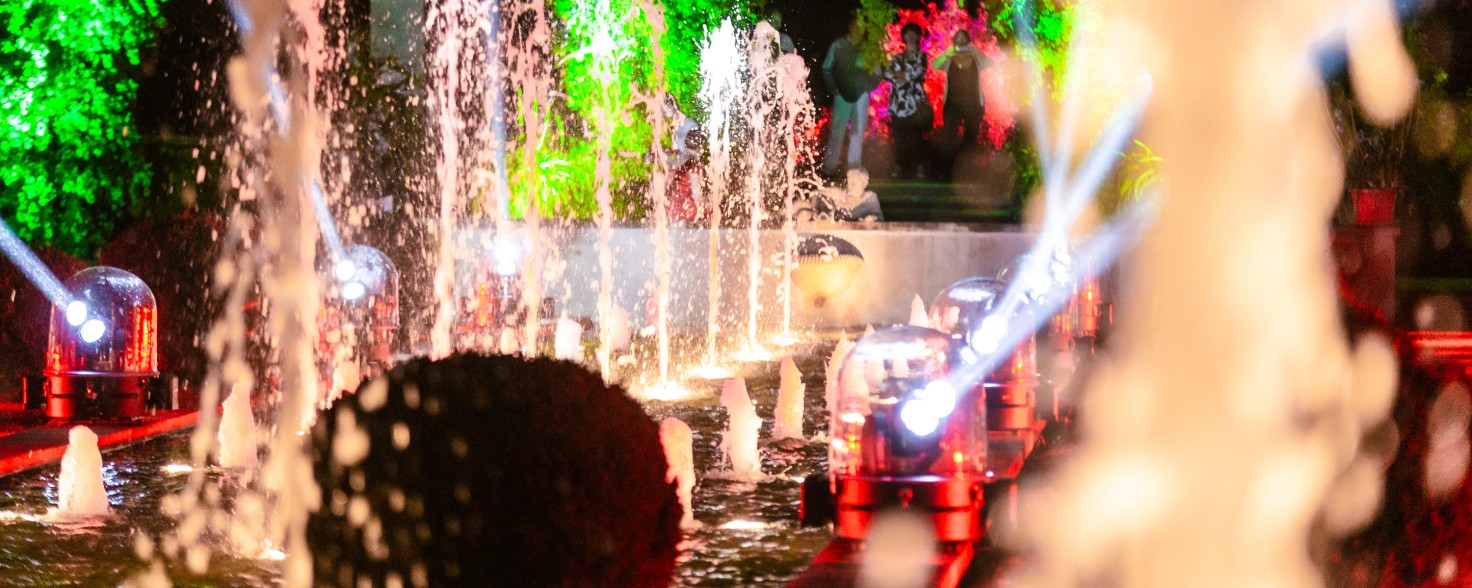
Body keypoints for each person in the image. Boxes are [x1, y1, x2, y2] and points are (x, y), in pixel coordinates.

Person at [821, 17, 882, 178]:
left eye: (862, 28)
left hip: (861, 95)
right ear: (850, 25)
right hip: (841, 94)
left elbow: (877, 73)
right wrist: (833, 87)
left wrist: (868, 88)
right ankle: (828, 167)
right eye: (856, 26)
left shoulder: (869, 49)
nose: (858, 30)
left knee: (857, 132)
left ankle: (853, 169)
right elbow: (826, 68)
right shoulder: (838, 45)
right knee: (837, 131)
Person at [931, 29, 993, 179]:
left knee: (970, 139)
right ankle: (946, 172)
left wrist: (975, 52)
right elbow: (934, 65)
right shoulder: (950, 59)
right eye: (957, 38)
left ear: (968, 41)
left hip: (973, 105)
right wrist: (948, 53)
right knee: (949, 138)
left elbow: (991, 63)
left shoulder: (976, 59)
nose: (960, 40)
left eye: (963, 38)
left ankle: (967, 172)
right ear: (953, 41)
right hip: (953, 105)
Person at [884, 23, 932, 180]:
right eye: (907, 34)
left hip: (915, 101)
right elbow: (887, 73)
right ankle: (899, 167)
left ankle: (919, 168)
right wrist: (903, 75)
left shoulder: (922, 55)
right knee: (899, 136)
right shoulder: (897, 57)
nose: (910, 36)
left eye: (914, 34)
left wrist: (902, 75)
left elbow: (919, 72)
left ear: (918, 37)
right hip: (898, 103)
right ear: (903, 37)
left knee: (917, 136)